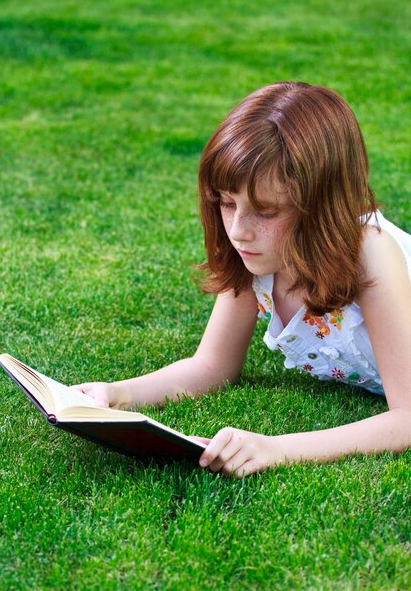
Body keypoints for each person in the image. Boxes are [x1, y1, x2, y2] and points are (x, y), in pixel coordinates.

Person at [74, 82, 411, 478]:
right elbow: (212, 366)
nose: (238, 230)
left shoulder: (370, 252)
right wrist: (117, 394)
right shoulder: (259, 258)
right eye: (226, 203)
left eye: (266, 212)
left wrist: (276, 448)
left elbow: (406, 417)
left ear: (322, 205)